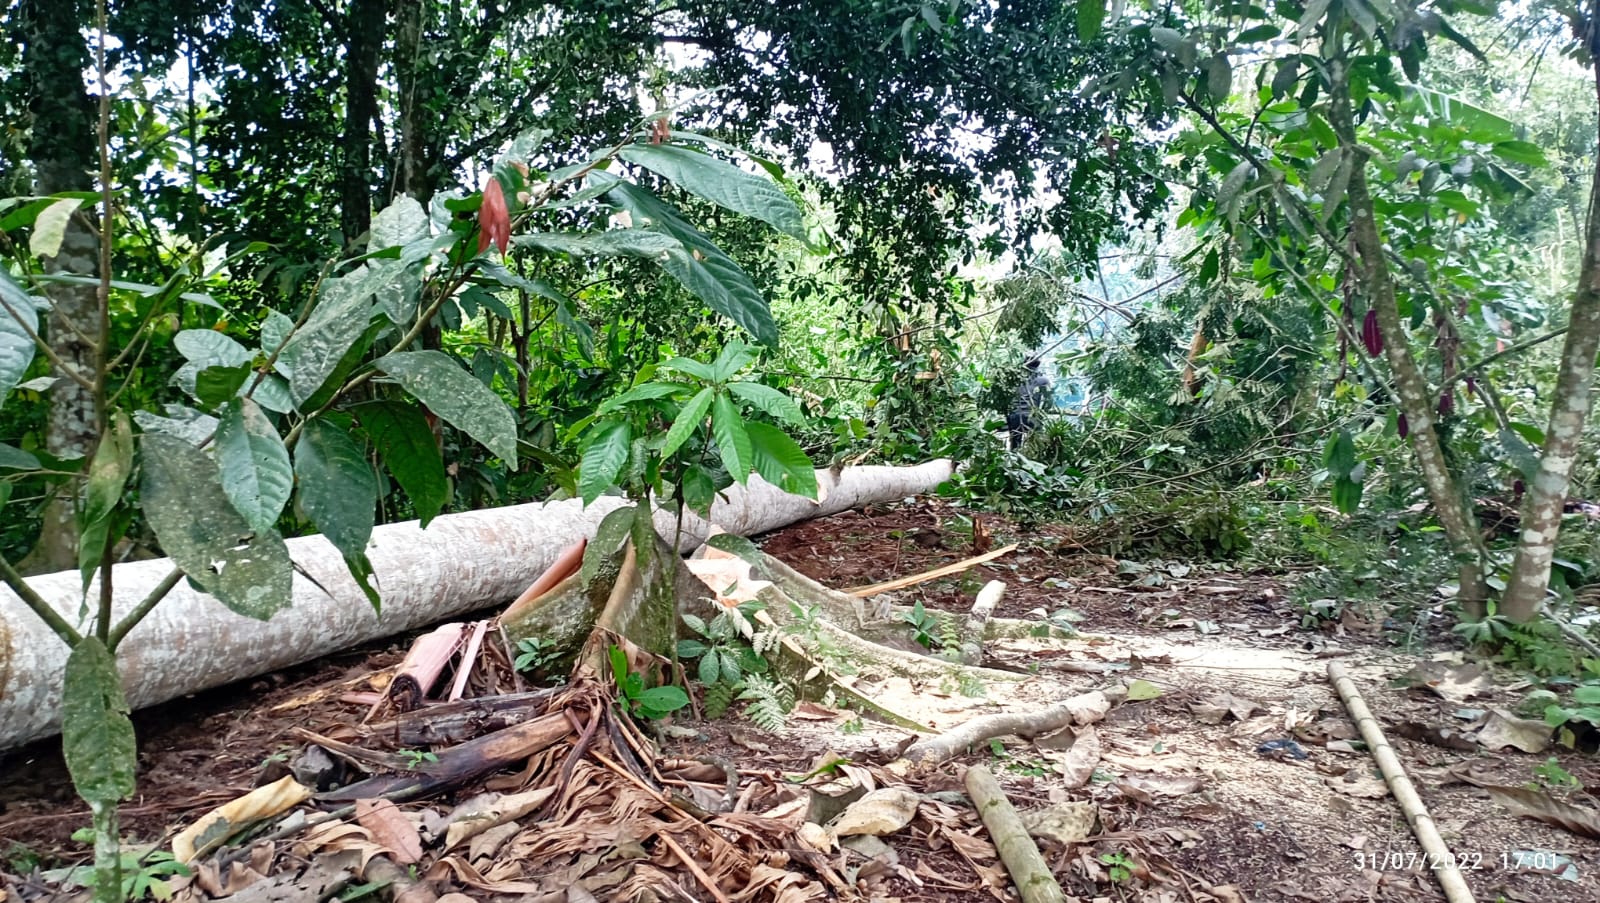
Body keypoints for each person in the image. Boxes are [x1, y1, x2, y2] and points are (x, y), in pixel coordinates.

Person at [1006, 357, 1052, 451]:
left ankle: (1014, 456)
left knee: (1015, 446)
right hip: (1032, 417)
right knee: (1038, 446)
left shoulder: (1013, 379)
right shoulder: (1043, 380)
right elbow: (1048, 401)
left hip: (1015, 416)